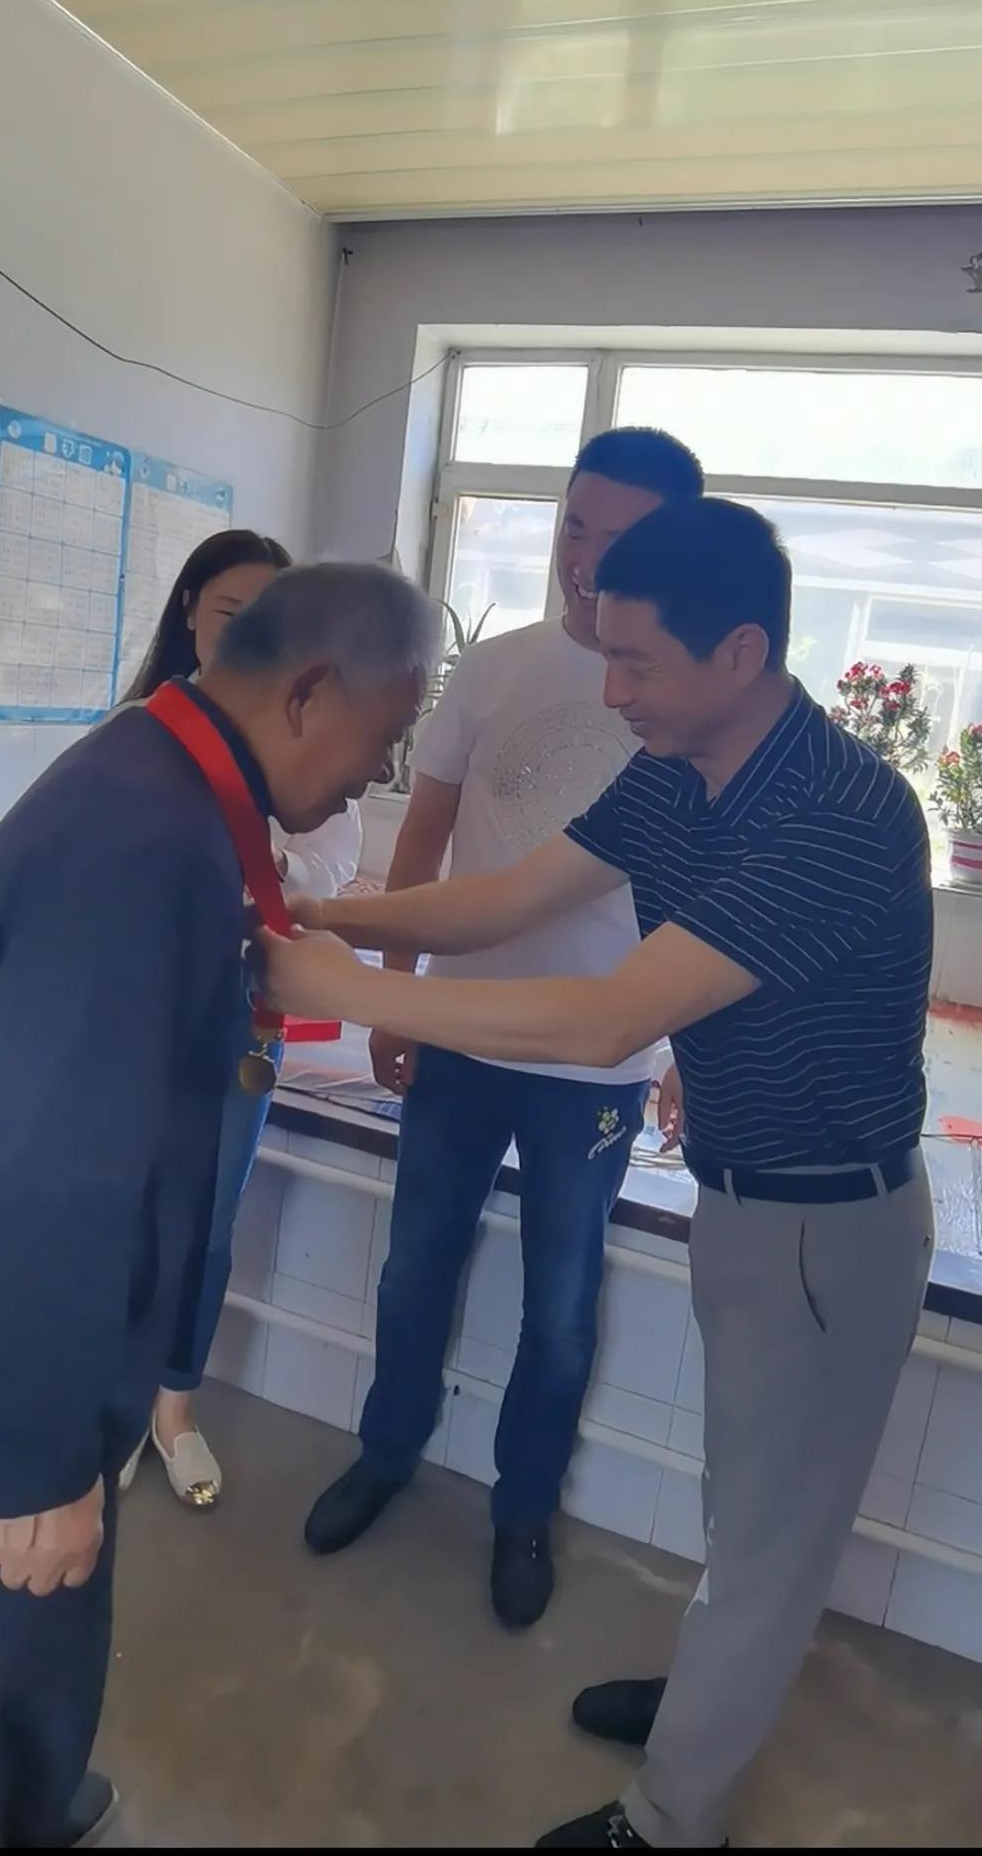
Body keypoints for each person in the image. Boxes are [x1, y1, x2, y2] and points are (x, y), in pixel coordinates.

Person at [261, 498, 934, 1851]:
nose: (611, 690)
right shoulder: (681, 771)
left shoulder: (838, 814)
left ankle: (673, 1819)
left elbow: (607, 1021)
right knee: (742, 1511)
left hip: (829, 1227)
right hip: (746, 1197)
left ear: (740, 653)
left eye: (635, 662)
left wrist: (334, 987)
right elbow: (510, 898)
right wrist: (325, 915)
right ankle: (708, 1703)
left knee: (767, 1545)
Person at [0, 561, 434, 1849]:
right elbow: (43, 1173)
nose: (380, 772)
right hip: (14, 1353)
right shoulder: (148, 841)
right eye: (387, 735)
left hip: (39, 1335)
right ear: (309, 694)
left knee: (28, 1643)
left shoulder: (156, 777)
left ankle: (28, 1794)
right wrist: (39, 1461)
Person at [303, 429, 703, 1629]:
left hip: (598, 1060)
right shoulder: (494, 670)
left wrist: (683, 1047)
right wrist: (395, 990)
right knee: (416, 1263)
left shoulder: (680, 699)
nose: (587, 559)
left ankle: (523, 1509)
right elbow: (423, 841)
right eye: (575, 526)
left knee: (562, 1302)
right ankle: (386, 1451)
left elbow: (705, 896)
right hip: (461, 1034)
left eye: (621, 538)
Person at [120, 529, 362, 1506]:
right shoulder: (140, 728)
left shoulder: (304, 734)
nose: (249, 637)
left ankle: (174, 1408)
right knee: (128, 1209)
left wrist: (257, 841)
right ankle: (115, 1401)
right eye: (230, 614)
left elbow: (329, 871)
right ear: (190, 612)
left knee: (208, 1217)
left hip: (244, 1014)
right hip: (138, 1014)